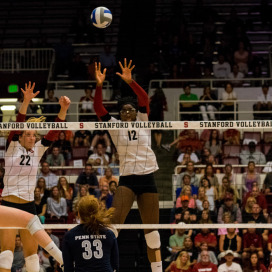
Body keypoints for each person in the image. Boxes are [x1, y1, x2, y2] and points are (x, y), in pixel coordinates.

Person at [93, 59, 162, 271]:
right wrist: (99, 85)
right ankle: (104, 267)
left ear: (136, 111)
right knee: (113, 226)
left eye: (130, 109)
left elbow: (143, 98)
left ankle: (157, 269)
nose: (127, 112)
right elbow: (98, 107)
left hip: (148, 177)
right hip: (128, 179)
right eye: (123, 110)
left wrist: (131, 81)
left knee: (153, 233)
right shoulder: (115, 126)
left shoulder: (143, 118)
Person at [0, 82, 70, 272]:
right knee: (6, 254)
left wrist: (63, 109)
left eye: (34, 135)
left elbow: (54, 131)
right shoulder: (12, 145)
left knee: (32, 256)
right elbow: (19, 122)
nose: (32, 138)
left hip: (28, 205)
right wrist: (26, 102)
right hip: (8, 204)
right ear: (20, 136)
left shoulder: (38, 150)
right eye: (28, 134)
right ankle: (65, 261)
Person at [62, 195, 119, 272]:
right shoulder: (109, 234)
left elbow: (68, 268)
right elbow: (115, 265)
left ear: (78, 214)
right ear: (98, 212)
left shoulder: (70, 236)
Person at [0, 203, 63, 270]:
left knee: (32, 258)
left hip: (25, 204)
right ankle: (63, 260)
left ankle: (63, 260)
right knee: (6, 255)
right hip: (9, 202)